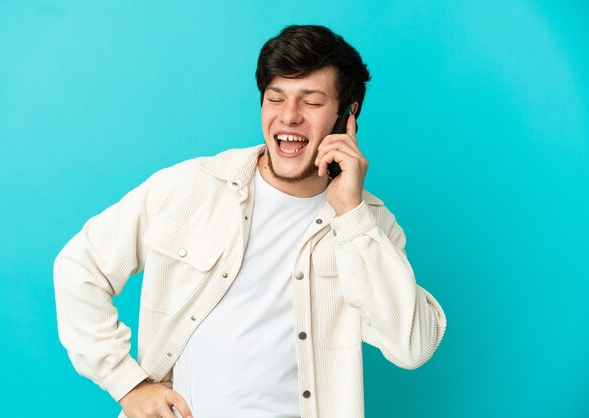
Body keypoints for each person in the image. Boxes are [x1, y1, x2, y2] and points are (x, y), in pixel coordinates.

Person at [54, 25, 447, 418]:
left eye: (311, 102)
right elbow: (78, 267)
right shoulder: (190, 187)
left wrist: (351, 214)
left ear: (348, 114)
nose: (289, 117)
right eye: (276, 98)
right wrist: (128, 384)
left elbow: (412, 346)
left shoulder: (369, 225)